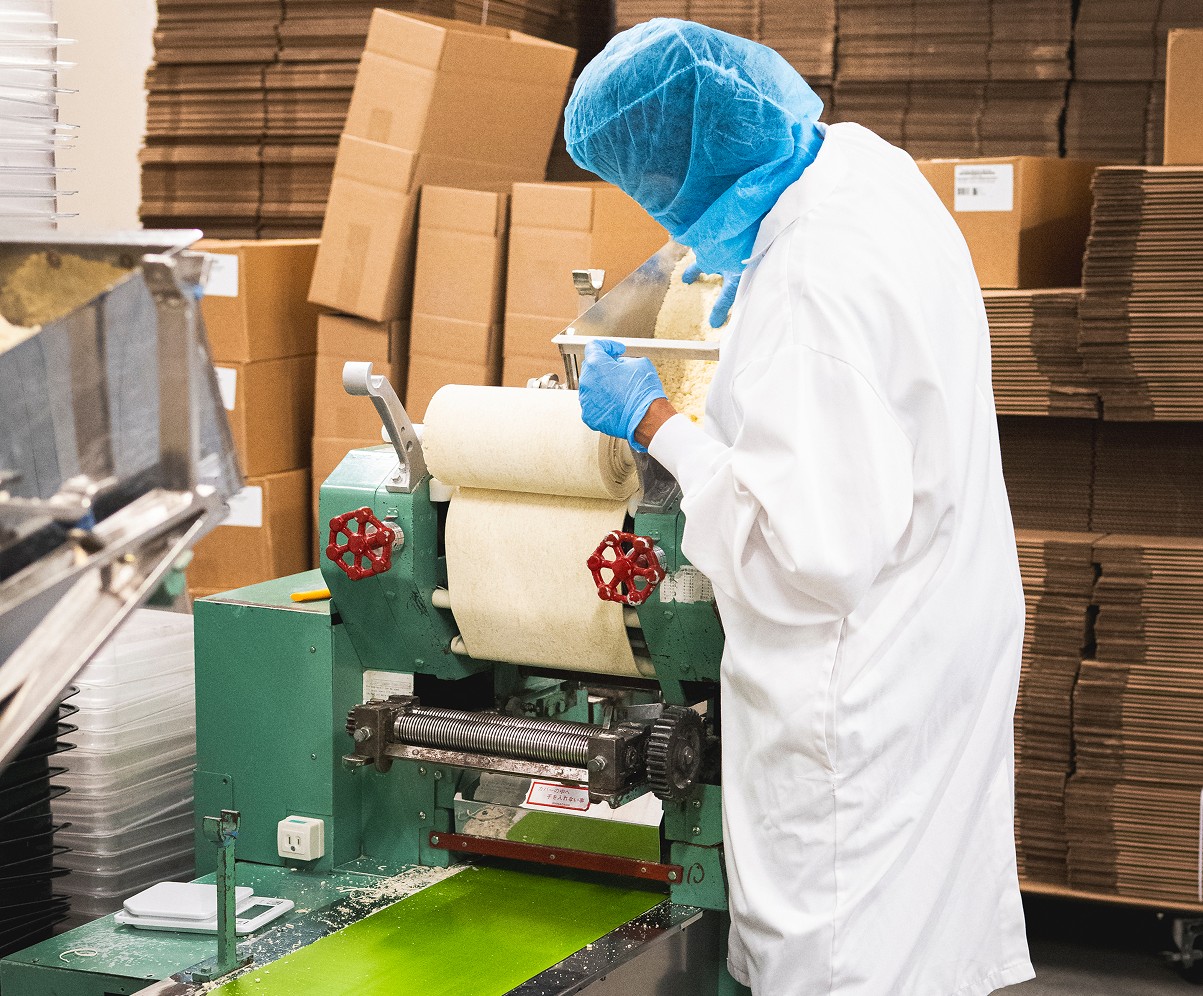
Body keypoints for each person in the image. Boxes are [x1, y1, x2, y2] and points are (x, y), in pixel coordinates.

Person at [564, 19, 1035, 996]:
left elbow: (801, 554)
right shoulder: (868, 170)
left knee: (841, 958)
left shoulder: (810, 292)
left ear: (691, 169)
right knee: (922, 937)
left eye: (652, 191)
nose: (661, 215)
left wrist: (653, 421)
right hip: (939, 620)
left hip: (854, 685)